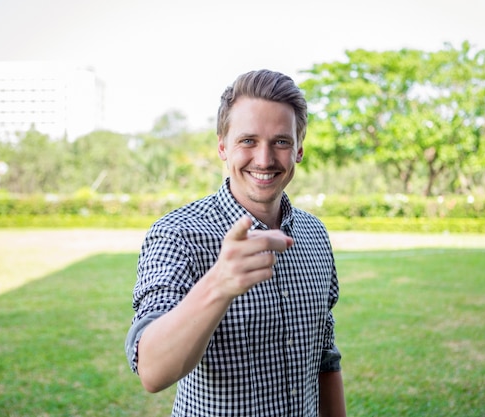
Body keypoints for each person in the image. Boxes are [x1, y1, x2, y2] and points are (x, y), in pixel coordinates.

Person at [125, 69, 346, 416]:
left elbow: (325, 356)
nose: (264, 159)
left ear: (299, 150)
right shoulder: (176, 234)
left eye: (281, 142)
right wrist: (218, 284)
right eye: (248, 141)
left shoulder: (314, 234)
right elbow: (152, 371)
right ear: (222, 147)